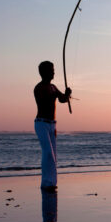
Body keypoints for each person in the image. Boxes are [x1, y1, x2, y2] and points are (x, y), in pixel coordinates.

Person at [34, 61, 72, 192]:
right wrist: (58, 94)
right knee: (48, 152)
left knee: (53, 154)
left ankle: (51, 182)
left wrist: (67, 94)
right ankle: (46, 183)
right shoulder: (39, 88)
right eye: (51, 70)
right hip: (41, 123)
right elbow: (43, 99)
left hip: (52, 124)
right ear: (44, 72)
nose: (54, 72)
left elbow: (62, 99)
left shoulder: (53, 87)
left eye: (53, 69)